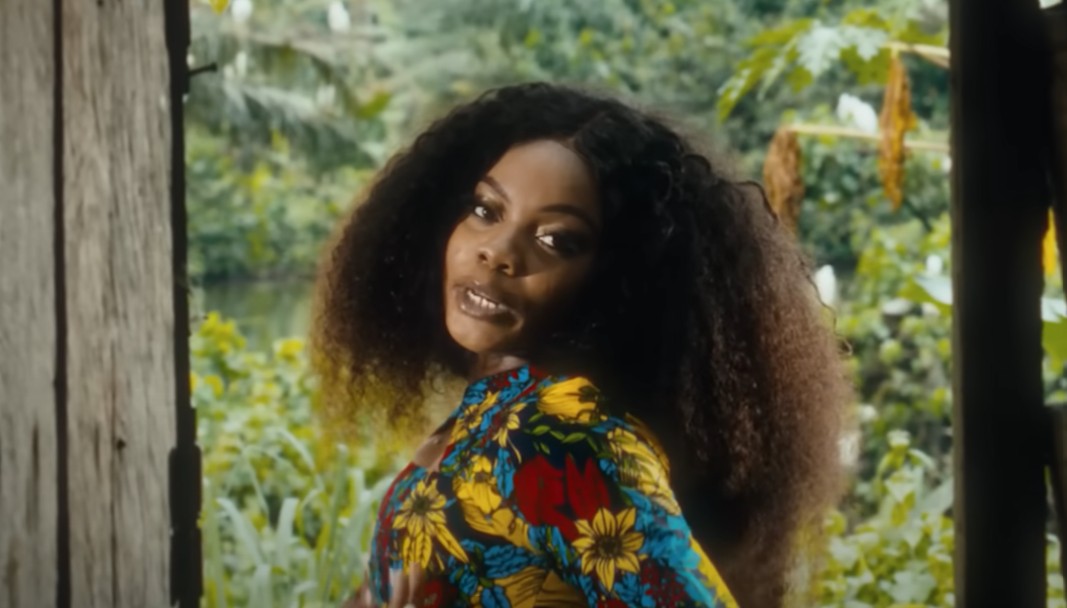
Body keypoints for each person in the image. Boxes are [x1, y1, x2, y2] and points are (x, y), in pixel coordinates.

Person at [312, 83, 851, 608]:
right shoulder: (497, 411)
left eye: (555, 240)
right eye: (486, 210)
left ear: (613, 279)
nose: (498, 252)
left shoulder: (560, 435)